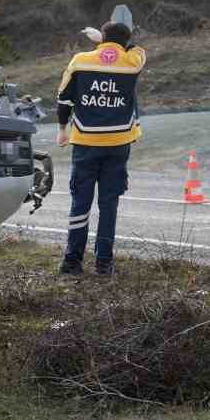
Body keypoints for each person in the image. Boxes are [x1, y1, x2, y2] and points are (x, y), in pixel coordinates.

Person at [55, 20, 146, 275]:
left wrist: (62, 129)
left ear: (102, 38)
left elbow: (64, 98)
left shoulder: (81, 61)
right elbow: (135, 49)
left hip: (86, 143)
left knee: (80, 202)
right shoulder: (133, 61)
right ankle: (104, 263)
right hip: (118, 143)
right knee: (109, 204)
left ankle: (72, 261)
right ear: (125, 41)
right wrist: (109, 43)